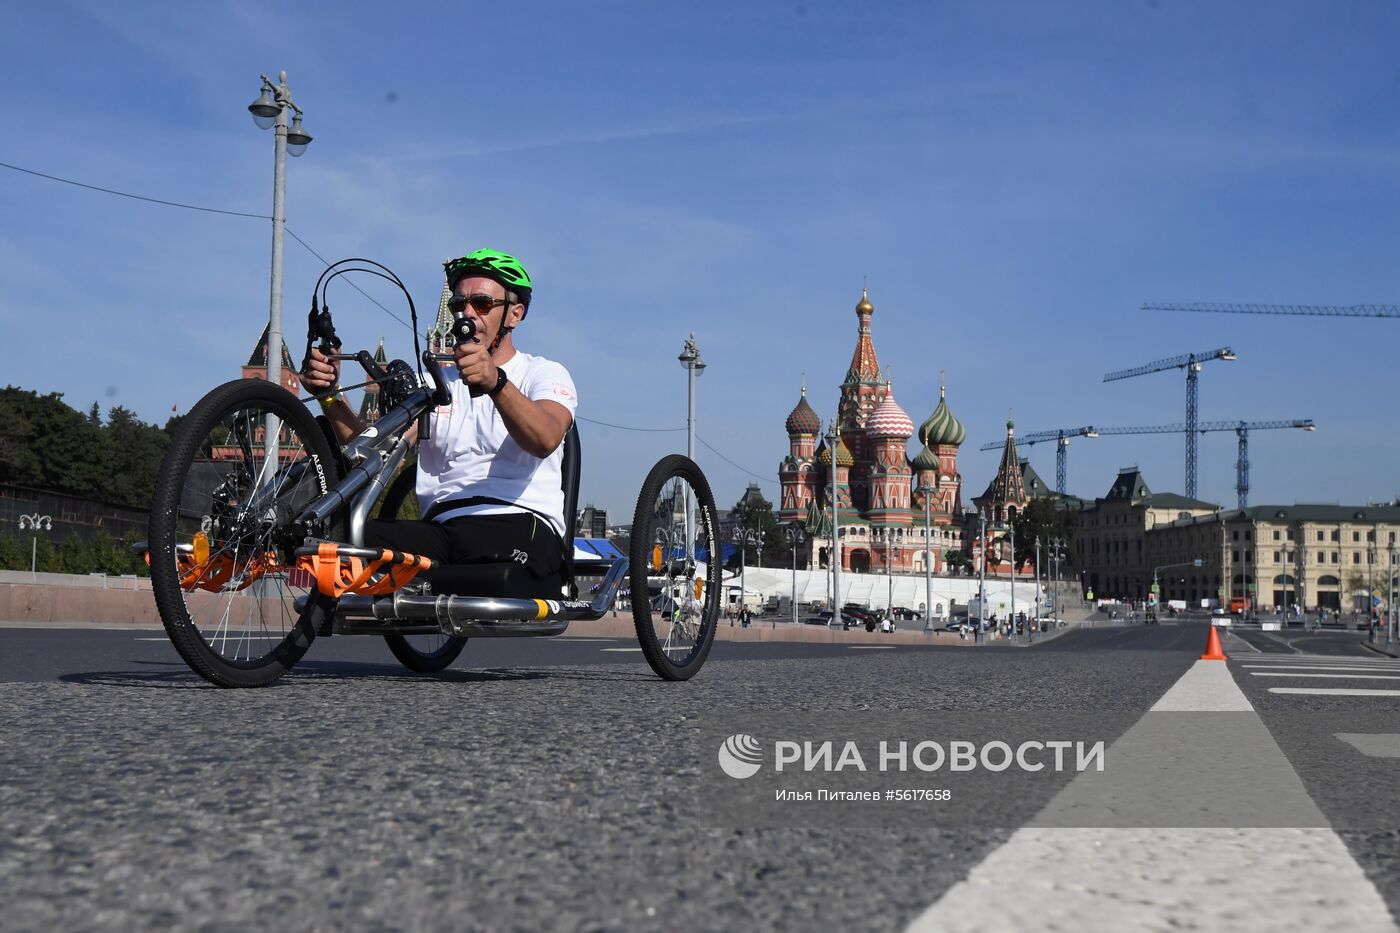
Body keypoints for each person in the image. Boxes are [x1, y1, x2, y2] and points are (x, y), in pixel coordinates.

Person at [299, 248, 577, 597]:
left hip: (519, 520)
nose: (468, 313)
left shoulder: (542, 372)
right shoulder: (433, 383)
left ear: (514, 314)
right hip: (444, 530)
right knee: (343, 541)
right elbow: (371, 452)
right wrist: (330, 396)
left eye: (482, 304)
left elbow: (547, 437)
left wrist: (496, 383)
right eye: (459, 305)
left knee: (479, 545)